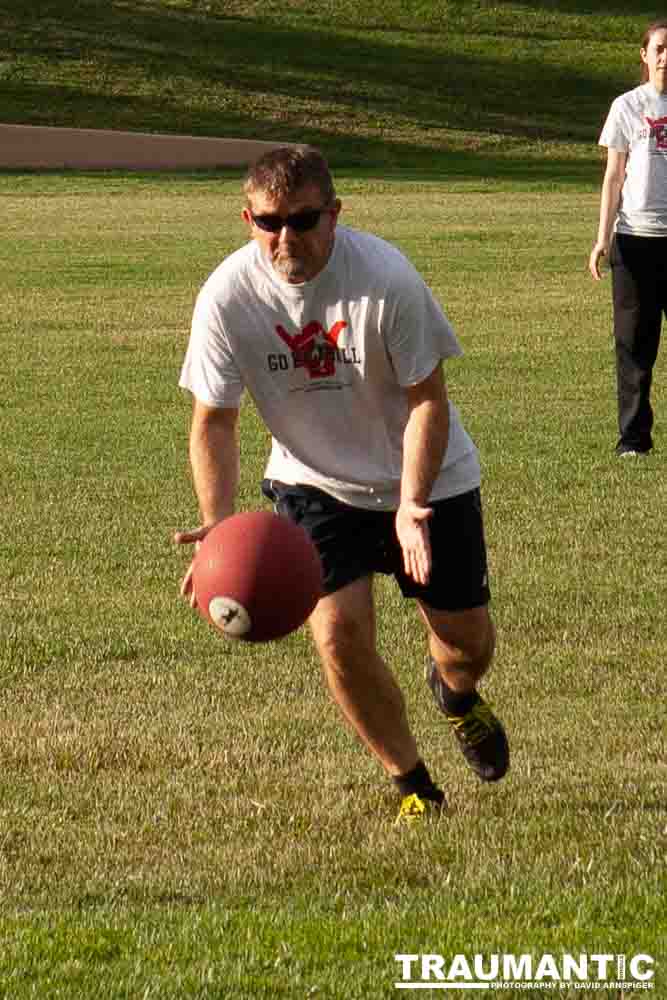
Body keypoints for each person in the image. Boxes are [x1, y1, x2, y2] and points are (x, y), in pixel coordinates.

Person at [176, 145, 509, 823]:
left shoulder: (385, 278)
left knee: (466, 644)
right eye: (269, 222)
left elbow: (428, 401)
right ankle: (412, 782)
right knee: (337, 636)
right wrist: (219, 525)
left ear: (334, 214)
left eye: (302, 220)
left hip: (425, 481)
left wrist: (411, 502)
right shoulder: (227, 296)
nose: (286, 238)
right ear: (247, 220)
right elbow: (214, 421)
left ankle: (454, 693)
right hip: (313, 482)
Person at [590, 19, 667, 457]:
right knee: (634, 344)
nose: (666, 56)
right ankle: (634, 440)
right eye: (659, 48)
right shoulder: (627, 106)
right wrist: (602, 238)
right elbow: (614, 176)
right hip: (635, 240)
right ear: (645, 55)